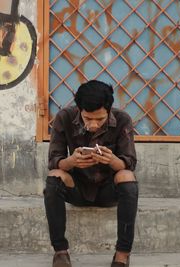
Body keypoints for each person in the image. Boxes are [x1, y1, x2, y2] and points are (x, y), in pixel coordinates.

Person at [43, 80, 138, 267]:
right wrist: (71, 161)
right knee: (54, 176)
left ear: (109, 110)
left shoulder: (122, 119)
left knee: (127, 176)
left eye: (100, 119)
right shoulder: (64, 117)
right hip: (76, 188)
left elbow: (129, 163)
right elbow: (54, 160)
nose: (94, 125)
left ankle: (122, 254)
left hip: (108, 190)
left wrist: (112, 160)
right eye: (88, 119)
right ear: (79, 109)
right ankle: (60, 252)